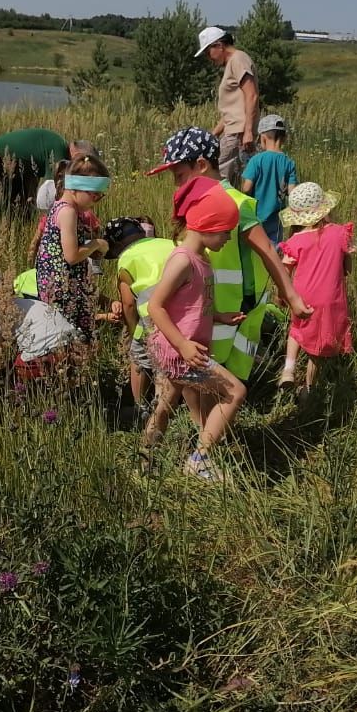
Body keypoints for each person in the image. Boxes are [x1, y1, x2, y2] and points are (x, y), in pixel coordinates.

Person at [147, 127, 312, 384]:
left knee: (223, 383)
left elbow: (267, 248)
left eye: (179, 175)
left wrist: (291, 296)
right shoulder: (195, 201)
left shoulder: (234, 202)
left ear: (201, 164)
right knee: (197, 380)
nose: (176, 184)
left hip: (233, 310)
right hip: (202, 312)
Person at [146, 177, 248, 480]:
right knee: (234, 391)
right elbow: (156, 306)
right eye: (226, 231)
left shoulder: (201, 259)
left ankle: (145, 458)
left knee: (165, 405)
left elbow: (188, 305)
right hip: (182, 351)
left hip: (180, 349)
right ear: (207, 225)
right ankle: (200, 460)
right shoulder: (183, 261)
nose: (229, 238)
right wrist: (184, 346)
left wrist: (219, 316)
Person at [277, 182, 353, 394]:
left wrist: (281, 295)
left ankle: (288, 370)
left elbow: (283, 271)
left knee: (297, 329)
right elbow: (347, 269)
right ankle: (308, 389)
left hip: (302, 295)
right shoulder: (340, 233)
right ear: (324, 209)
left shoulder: (296, 240)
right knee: (318, 347)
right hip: (331, 298)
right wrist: (345, 258)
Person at [106, 215, 175, 420]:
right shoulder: (169, 243)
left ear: (117, 244)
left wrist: (131, 328)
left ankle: (145, 410)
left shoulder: (127, 258)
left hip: (153, 314)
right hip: (187, 308)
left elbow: (128, 303)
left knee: (141, 356)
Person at [36, 153, 111, 343]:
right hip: (63, 287)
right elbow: (71, 256)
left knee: (69, 336)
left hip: (64, 283)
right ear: (79, 188)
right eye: (95, 196)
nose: (97, 200)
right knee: (71, 336)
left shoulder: (61, 206)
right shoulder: (68, 212)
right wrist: (97, 244)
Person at [196, 26, 258, 184]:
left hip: (238, 133)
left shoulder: (238, 59)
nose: (208, 58)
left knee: (215, 177)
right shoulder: (233, 63)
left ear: (219, 45)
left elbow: (251, 95)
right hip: (235, 131)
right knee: (234, 182)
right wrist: (212, 135)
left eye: (207, 52)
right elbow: (232, 110)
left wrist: (248, 132)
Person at [0, 128, 94, 211]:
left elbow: (33, 174)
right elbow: (53, 189)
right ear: (78, 154)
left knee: (20, 209)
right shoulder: (58, 150)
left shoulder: (56, 143)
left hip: (10, 164)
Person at [241, 114, 299, 245]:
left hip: (255, 217)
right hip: (276, 218)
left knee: (254, 249)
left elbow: (247, 188)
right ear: (283, 139)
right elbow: (293, 192)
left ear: (263, 137)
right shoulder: (289, 163)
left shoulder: (256, 160)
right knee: (273, 250)